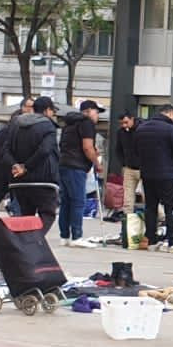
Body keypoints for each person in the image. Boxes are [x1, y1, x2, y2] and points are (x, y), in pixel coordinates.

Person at [134, 104, 173, 251]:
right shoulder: (171, 129)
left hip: (147, 174)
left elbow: (136, 151)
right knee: (171, 208)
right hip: (168, 175)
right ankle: (172, 242)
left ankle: (151, 241)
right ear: (171, 114)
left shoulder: (141, 128)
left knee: (150, 207)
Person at [4, 97, 62, 226]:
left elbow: (5, 149)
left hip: (19, 180)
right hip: (43, 179)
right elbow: (45, 150)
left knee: (25, 217)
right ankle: (34, 240)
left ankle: (25, 243)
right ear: (47, 110)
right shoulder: (48, 125)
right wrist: (26, 167)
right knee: (47, 214)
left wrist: (16, 165)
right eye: (53, 111)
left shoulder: (15, 124)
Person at [56, 99, 102, 242]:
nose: (97, 116)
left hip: (64, 163)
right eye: (96, 112)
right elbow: (87, 147)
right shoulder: (87, 123)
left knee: (66, 201)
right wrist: (96, 163)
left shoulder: (69, 124)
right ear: (88, 111)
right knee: (78, 201)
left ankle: (64, 236)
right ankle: (77, 236)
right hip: (76, 166)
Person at [114, 113, 141, 245]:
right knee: (127, 201)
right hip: (129, 168)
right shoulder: (121, 133)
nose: (124, 126)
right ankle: (126, 230)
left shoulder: (142, 129)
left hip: (143, 168)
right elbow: (118, 150)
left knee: (150, 198)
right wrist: (123, 164)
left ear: (132, 119)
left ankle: (160, 221)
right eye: (122, 123)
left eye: (126, 122)